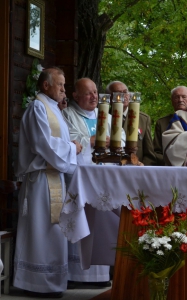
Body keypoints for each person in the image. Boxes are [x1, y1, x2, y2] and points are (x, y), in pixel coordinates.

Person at [14, 67, 82, 298]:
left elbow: (56, 140)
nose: (64, 90)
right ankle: (36, 283)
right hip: (41, 180)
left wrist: (69, 144)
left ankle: (52, 282)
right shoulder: (37, 108)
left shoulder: (52, 108)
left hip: (54, 177)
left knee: (53, 232)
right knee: (40, 231)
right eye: (60, 85)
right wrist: (73, 148)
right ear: (46, 86)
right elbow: (43, 144)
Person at [62, 78, 118, 287]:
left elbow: (118, 141)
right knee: (80, 217)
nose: (94, 96)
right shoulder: (67, 115)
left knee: (102, 221)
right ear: (76, 96)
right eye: (88, 93)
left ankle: (100, 274)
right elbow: (72, 143)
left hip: (105, 178)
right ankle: (76, 274)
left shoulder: (109, 116)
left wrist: (99, 140)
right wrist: (95, 140)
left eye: (95, 92)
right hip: (80, 177)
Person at [106, 81, 156, 166]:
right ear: (110, 98)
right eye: (118, 93)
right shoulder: (103, 117)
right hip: (109, 169)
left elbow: (149, 154)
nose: (123, 96)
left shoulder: (143, 119)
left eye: (125, 92)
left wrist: (143, 169)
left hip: (135, 170)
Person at [153, 86, 187, 165]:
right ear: (172, 101)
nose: (180, 100)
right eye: (176, 97)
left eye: (184, 97)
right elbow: (157, 151)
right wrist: (169, 162)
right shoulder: (162, 123)